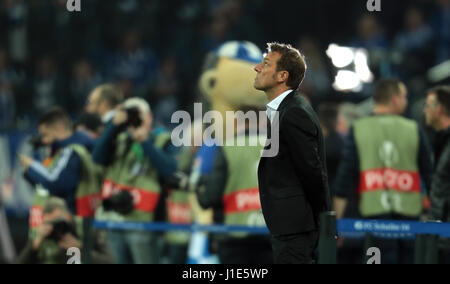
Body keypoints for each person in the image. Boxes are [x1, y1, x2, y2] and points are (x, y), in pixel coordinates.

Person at [334, 79, 434, 264]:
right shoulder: (413, 129)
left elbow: (344, 179)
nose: (406, 101)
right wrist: (433, 217)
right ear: (395, 99)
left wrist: (337, 224)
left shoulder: (359, 129)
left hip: (373, 216)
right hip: (409, 216)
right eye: (404, 96)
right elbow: (429, 177)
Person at [254, 42, 331, 264]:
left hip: (296, 228)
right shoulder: (287, 110)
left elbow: (312, 172)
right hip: (292, 226)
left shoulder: (293, 112)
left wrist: (322, 220)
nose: (257, 68)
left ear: (282, 76)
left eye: (266, 63)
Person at [92, 97, 178, 264]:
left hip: (144, 224)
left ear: (150, 116)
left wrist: (145, 141)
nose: (134, 119)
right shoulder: (120, 139)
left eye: (138, 115)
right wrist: (113, 126)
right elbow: (97, 158)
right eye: (130, 115)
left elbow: (169, 170)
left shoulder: (163, 139)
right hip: (114, 220)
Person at [197, 105, 273, 264]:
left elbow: (210, 197)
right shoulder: (278, 147)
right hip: (271, 234)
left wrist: (199, 187)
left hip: (233, 235)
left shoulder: (227, 148)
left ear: (238, 121)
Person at [424, 85, 450, 264]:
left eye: (428, 106)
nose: (425, 111)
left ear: (438, 109)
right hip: (440, 235)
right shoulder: (440, 141)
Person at [17, 197, 81, 264]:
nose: (54, 227)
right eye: (49, 223)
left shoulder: (82, 228)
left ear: (68, 216)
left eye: (57, 221)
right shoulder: (45, 237)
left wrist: (80, 248)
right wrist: (36, 242)